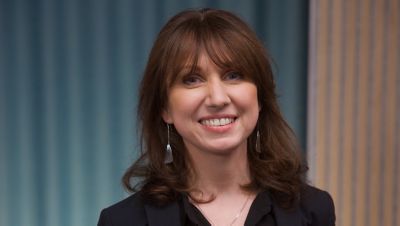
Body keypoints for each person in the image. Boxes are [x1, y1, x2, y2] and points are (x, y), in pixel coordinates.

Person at [97, 8, 335, 226]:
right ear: (165, 109)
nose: (217, 98)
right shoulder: (122, 221)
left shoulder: (314, 210)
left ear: (260, 97)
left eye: (233, 75)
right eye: (192, 79)